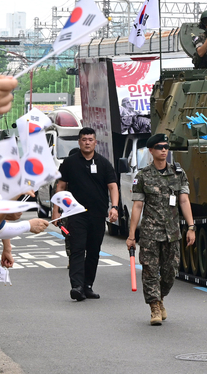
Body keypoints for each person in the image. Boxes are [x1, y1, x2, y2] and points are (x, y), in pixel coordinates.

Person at [126, 133, 196, 325]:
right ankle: (154, 306)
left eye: (166, 147)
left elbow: (183, 200)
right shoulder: (143, 176)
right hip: (150, 233)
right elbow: (137, 206)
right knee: (150, 271)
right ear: (151, 150)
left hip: (172, 233)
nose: (164, 150)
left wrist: (191, 227)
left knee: (170, 273)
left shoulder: (178, 174)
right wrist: (132, 235)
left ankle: (160, 297)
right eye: (159, 147)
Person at [52, 127, 119, 301]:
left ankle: (88, 285)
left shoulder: (104, 163)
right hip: (75, 214)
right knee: (77, 249)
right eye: (84, 139)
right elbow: (60, 186)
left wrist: (115, 207)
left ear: (95, 142)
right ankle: (77, 286)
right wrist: (55, 211)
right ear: (79, 142)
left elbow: (112, 186)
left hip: (97, 214)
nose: (87, 142)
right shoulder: (70, 162)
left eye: (90, 139)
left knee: (94, 250)